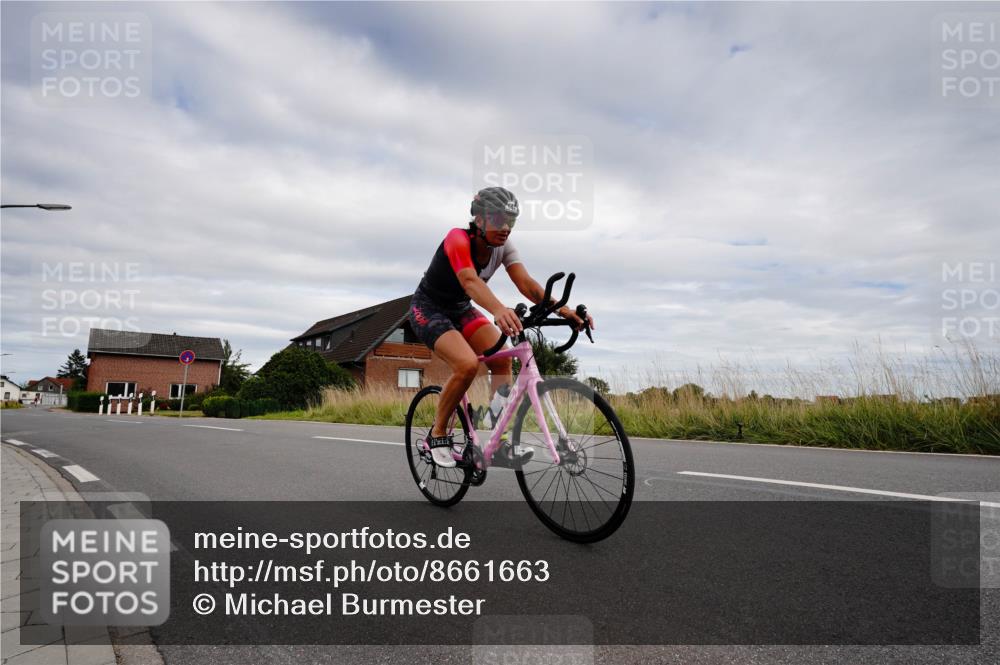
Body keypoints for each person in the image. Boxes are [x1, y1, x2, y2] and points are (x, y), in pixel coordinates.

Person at [407, 187, 595, 467]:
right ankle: (437, 434)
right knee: (467, 365)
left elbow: (527, 284)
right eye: (498, 219)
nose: (505, 227)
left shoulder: (504, 247)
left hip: (460, 308)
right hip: (429, 308)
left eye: (511, 221)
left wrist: (563, 310)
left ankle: (498, 439)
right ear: (479, 219)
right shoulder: (457, 239)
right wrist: (497, 309)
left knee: (502, 360)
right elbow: (469, 280)